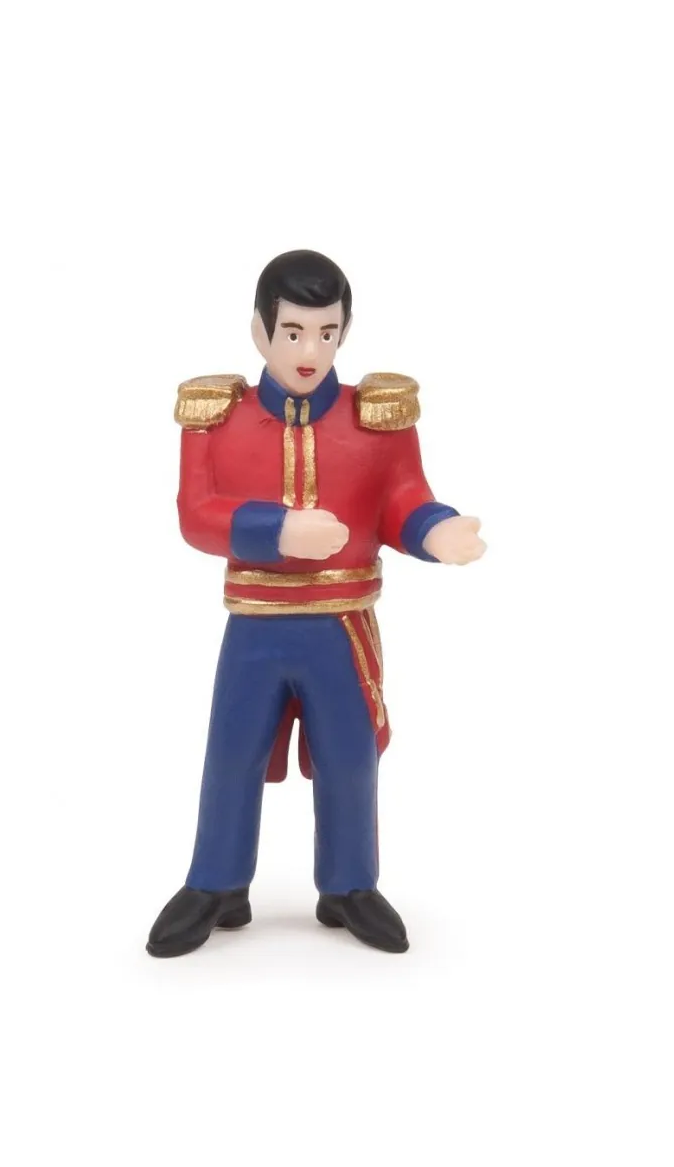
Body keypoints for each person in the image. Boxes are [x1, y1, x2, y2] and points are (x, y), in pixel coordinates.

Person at [147, 250, 485, 956]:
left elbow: (402, 498)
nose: (309, 351)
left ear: (344, 332)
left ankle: (350, 884)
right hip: (256, 625)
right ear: (260, 332)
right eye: (293, 332)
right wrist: (278, 530)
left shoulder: (377, 419)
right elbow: (196, 515)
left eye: (326, 333)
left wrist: (434, 531)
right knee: (231, 753)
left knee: (349, 758)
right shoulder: (215, 418)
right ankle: (215, 883)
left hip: (339, 624)